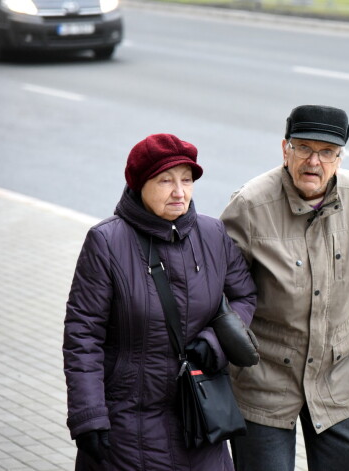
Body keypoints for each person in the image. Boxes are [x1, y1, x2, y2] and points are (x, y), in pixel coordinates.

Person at [220, 105, 349, 471]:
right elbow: (219, 287)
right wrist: (228, 334)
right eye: (303, 148)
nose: (313, 162)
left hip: (336, 376)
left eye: (326, 152)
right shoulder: (250, 205)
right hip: (264, 377)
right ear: (284, 149)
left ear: (339, 157)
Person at [63, 133, 257, 470]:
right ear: (139, 184)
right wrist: (89, 414)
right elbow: (83, 335)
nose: (179, 191)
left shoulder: (213, 235)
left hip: (200, 417)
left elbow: (245, 295)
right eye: (165, 180)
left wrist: (215, 343)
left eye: (186, 179)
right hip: (127, 426)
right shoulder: (107, 242)